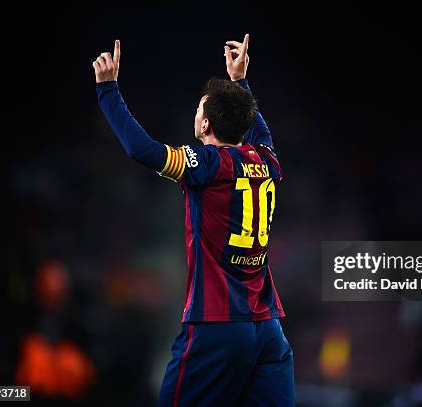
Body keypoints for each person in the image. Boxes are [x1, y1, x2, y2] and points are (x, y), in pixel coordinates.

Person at [93, 34, 294, 406]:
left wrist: (108, 91)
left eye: (200, 109)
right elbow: (256, 125)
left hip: (216, 325)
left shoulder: (207, 165)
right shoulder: (267, 160)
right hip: (269, 329)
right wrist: (240, 82)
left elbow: (142, 149)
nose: (197, 113)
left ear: (204, 126)